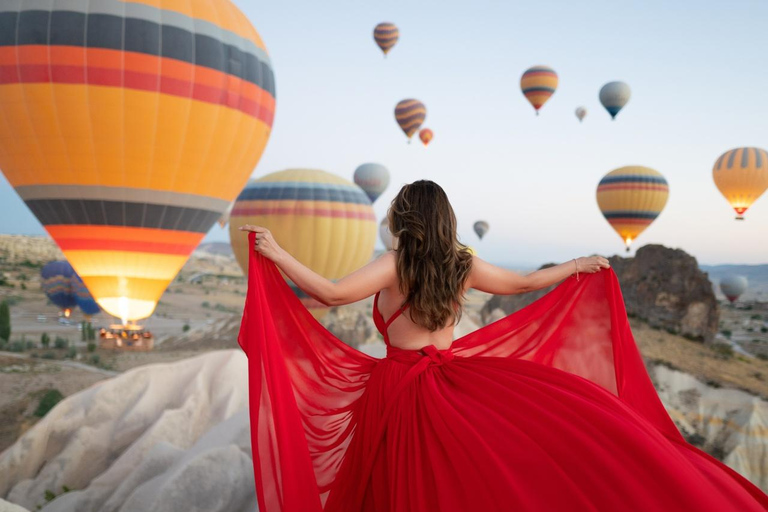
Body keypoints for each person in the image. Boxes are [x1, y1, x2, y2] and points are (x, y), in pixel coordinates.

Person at [237, 180, 768, 512]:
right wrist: (577, 266)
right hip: (448, 382)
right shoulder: (462, 263)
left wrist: (278, 253)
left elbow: (328, 293)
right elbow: (520, 284)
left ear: (405, 218)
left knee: (393, 484)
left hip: (397, 389)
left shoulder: (394, 261)